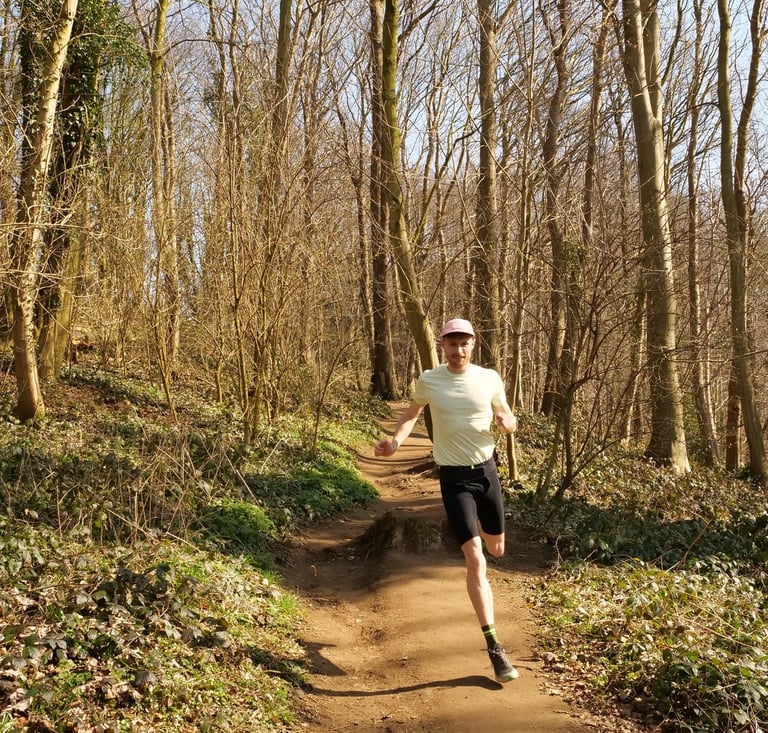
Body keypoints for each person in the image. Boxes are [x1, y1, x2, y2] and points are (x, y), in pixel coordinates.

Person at [374, 318, 519, 683]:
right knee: (476, 559)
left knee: (497, 549)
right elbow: (410, 415)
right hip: (454, 478)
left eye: (464, 344)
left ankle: (484, 549)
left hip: (486, 473)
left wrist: (507, 421)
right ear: (443, 346)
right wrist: (395, 443)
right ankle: (495, 647)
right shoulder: (430, 380)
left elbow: (508, 414)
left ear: (473, 345)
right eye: (451, 344)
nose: (458, 351)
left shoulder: (488, 378)